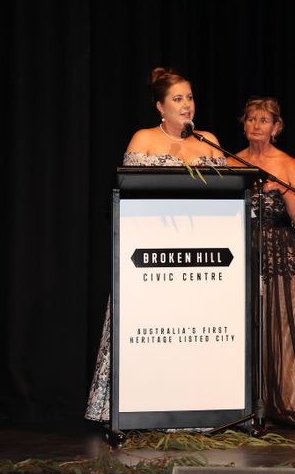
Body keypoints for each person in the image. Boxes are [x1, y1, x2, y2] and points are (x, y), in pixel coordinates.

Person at [85, 67, 225, 424]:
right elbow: (126, 196)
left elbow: (227, 197)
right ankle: (135, 408)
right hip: (150, 258)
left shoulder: (208, 140)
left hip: (202, 260)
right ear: (160, 107)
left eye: (190, 97)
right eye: (178, 99)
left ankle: (202, 407)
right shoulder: (143, 139)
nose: (187, 105)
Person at [229, 97, 295, 426]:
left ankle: (290, 402)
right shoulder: (233, 162)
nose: (256, 125)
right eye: (251, 119)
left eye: (263, 120)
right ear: (243, 124)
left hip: (281, 251)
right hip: (244, 252)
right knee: (249, 328)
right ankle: (249, 404)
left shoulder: (286, 162)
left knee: (285, 328)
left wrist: (283, 189)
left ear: (276, 127)